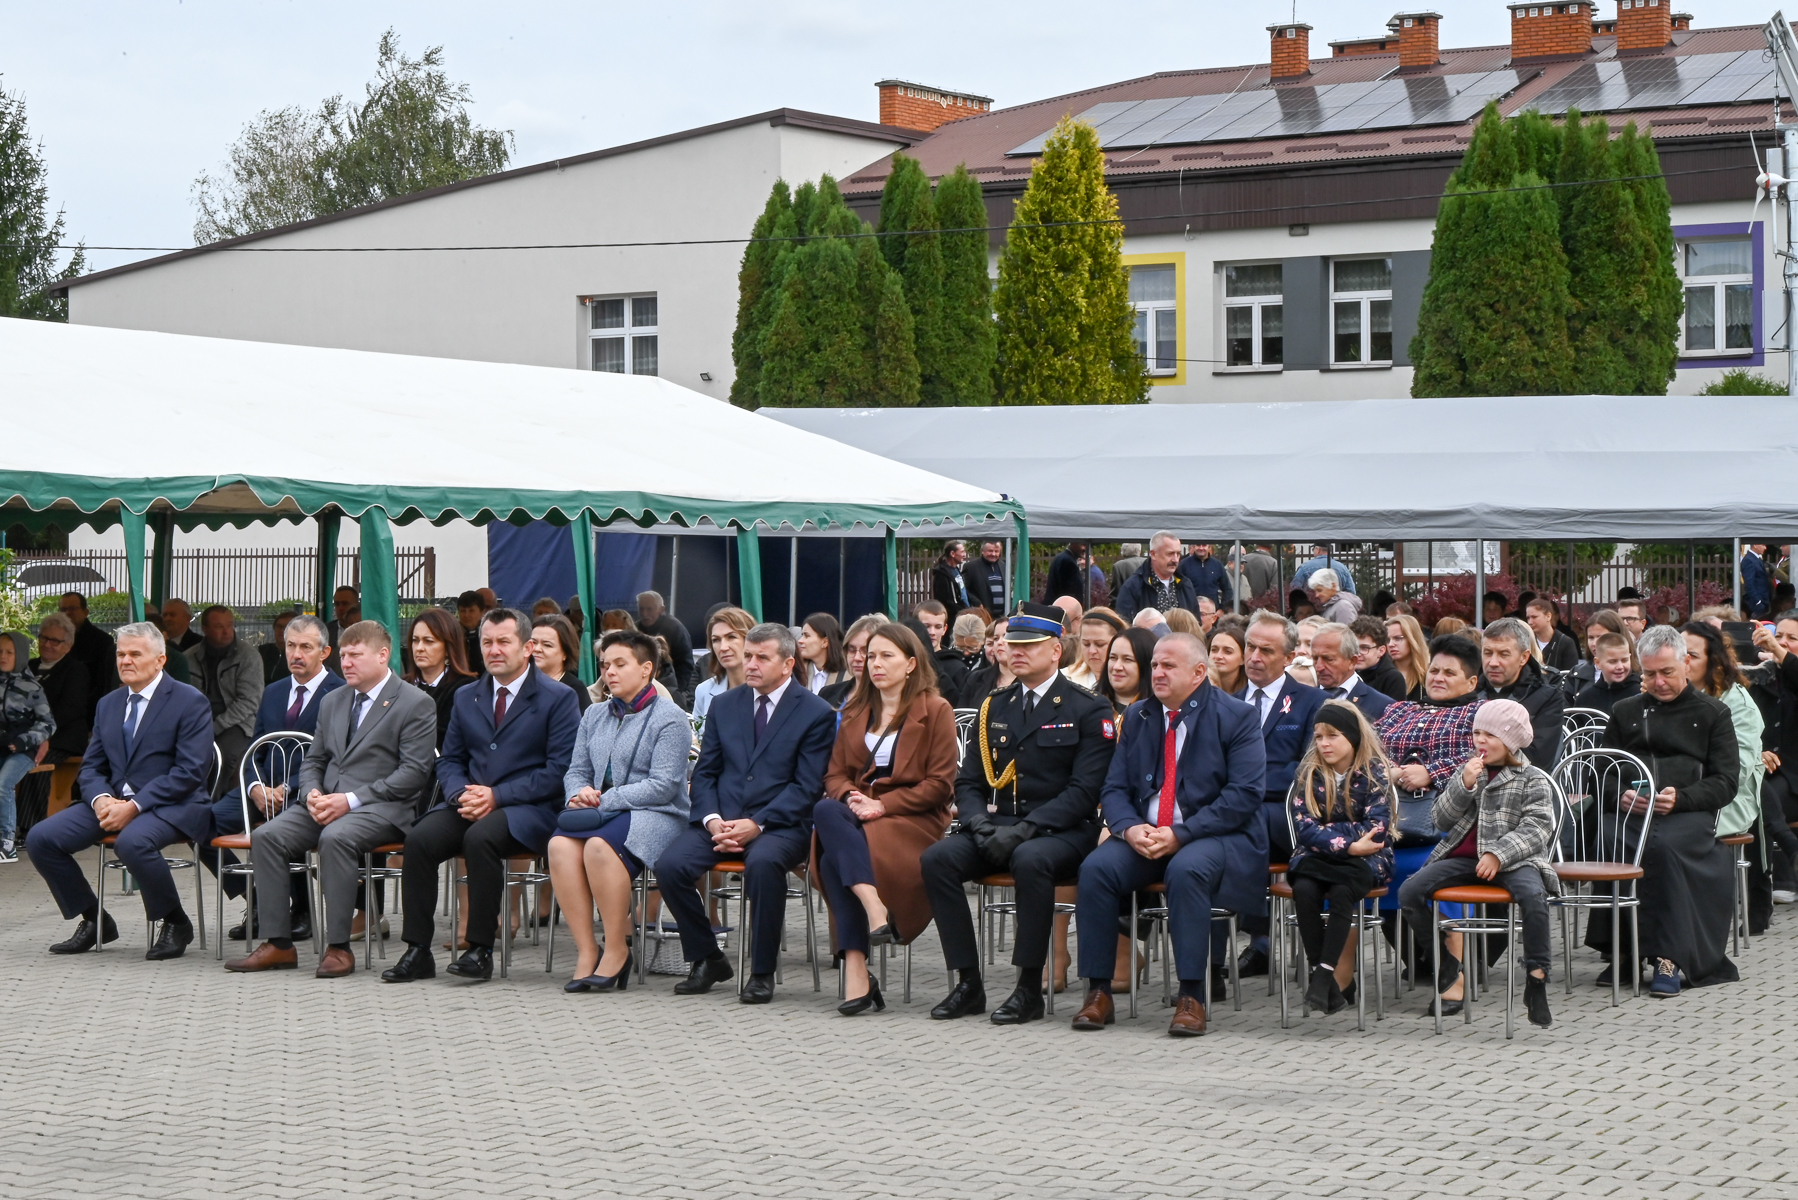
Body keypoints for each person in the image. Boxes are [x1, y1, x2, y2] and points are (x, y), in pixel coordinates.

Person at [922, 602, 1115, 1025]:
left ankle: (1028, 988)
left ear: (1056, 651)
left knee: (1030, 859)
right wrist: (977, 824)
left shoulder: (1087, 708)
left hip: (1061, 831)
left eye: (1029, 645)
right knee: (938, 859)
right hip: (998, 825)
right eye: (1012, 644)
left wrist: (1027, 828)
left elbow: (1084, 792)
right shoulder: (996, 705)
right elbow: (969, 781)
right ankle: (968, 983)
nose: (1017, 652)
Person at [1071, 632, 1265, 1037]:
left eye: (1168, 666)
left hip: (1212, 834)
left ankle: (1191, 995)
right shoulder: (1139, 716)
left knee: (1186, 871)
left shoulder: (1236, 716)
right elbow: (1114, 787)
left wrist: (1182, 833)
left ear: (1198, 672)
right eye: (1155, 665)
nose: (1157, 673)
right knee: (1096, 870)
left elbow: (1244, 795)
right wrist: (1128, 828)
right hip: (1146, 834)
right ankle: (1098, 991)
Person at [225, 620, 436, 977]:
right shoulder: (334, 700)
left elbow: (413, 774)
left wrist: (349, 800)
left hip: (380, 808)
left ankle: (338, 947)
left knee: (335, 838)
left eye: (355, 655)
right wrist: (311, 792)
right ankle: (278, 944)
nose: (346, 663)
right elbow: (315, 759)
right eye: (343, 655)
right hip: (325, 802)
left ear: (383, 655)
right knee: (268, 836)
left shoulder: (415, 702)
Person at [383, 608, 581, 984]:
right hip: (471, 801)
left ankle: (479, 949)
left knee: (480, 838)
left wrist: (497, 796)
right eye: (487, 642)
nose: (494, 650)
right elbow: (450, 760)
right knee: (420, 839)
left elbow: (559, 770)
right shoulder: (467, 696)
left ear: (527, 647)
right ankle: (417, 950)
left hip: (530, 808)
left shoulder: (558, 698)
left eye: (504, 642)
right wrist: (461, 794)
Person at [656, 623, 835, 1004]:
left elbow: (807, 786)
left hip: (781, 825)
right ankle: (708, 958)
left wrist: (757, 823)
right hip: (721, 820)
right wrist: (711, 820)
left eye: (761, 658)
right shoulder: (725, 705)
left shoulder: (815, 712)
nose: (750, 664)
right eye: (748, 655)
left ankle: (762, 972)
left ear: (788, 664)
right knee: (670, 866)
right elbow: (706, 772)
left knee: (764, 865)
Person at [26, 621, 214, 958]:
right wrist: (100, 799)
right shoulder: (109, 704)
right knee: (41, 838)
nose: (125, 661)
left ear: (160, 660)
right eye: (121, 654)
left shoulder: (190, 701)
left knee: (132, 842)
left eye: (135, 654)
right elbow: (92, 767)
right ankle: (94, 919)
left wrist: (135, 805)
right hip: (112, 801)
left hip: (172, 804)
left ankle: (175, 921)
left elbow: (190, 772)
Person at [1585, 624, 1741, 996]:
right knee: (1610, 837)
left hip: (1688, 813)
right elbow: (1601, 774)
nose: (1658, 682)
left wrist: (1681, 799)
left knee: (1665, 847)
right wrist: (1620, 796)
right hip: (1632, 812)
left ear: (1686, 664)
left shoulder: (1714, 713)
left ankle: (1668, 956)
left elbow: (1726, 781)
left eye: (1667, 672)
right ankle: (1624, 949)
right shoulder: (1625, 711)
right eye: (1650, 674)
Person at [814, 622, 957, 1014]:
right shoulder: (855, 709)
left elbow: (940, 785)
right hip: (859, 814)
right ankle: (872, 906)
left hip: (912, 820)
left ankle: (857, 971)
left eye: (886, 656)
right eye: (870, 656)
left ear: (910, 664)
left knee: (831, 859)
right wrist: (854, 798)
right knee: (826, 808)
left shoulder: (936, 710)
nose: (874, 664)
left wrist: (882, 805)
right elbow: (834, 775)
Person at [1397, 699, 1558, 1027]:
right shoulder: (1468, 770)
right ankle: (1446, 963)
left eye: (1490, 735)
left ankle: (1536, 978)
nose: (1480, 740)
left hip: (1515, 861)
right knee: (1410, 892)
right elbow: (1440, 819)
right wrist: (1464, 785)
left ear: (1510, 741)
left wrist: (1498, 854)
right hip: (1463, 858)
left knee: (1533, 897)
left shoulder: (1531, 778)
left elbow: (1538, 827)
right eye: (1477, 733)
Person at [548, 629, 692, 992]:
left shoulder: (670, 717)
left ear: (646, 669)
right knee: (559, 846)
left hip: (658, 813)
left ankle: (616, 948)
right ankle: (587, 951)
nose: (609, 672)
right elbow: (576, 770)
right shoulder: (595, 714)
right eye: (604, 665)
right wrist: (577, 793)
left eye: (619, 664)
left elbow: (664, 786)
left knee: (598, 847)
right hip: (602, 811)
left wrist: (603, 800)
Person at [202, 613, 344, 935]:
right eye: (291, 645)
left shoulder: (340, 694)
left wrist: (287, 789)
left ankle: (302, 910)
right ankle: (254, 897)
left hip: (309, 791)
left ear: (324, 652)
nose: (296, 654)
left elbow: (334, 758)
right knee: (199, 824)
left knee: (280, 828)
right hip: (261, 789)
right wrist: (254, 786)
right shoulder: (274, 691)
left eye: (306, 647)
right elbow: (255, 748)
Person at [1374, 634, 1485, 955]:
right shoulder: (1399, 710)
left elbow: (1486, 757)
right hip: (1391, 820)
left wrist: (1431, 773)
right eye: (1434, 671)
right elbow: (1366, 749)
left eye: (1449, 673)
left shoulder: (1480, 713)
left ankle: (1452, 967)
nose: (1438, 678)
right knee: (1347, 862)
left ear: (1471, 681)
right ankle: (1339, 971)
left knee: (1434, 864)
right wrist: (1391, 770)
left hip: (1452, 824)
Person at [1232, 611, 1324, 977]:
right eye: (1250, 647)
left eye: (1266, 651)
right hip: (1237, 812)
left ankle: (1259, 938)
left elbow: (1307, 769)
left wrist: (1245, 786)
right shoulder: (1227, 702)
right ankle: (1209, 950)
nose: (1254, 657)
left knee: (1246, 822)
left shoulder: (1311, 701)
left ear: (1288, 657)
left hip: (1288, 813)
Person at [1286, 701, 1393, 1014]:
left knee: (1342, 891)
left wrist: (1331, 834)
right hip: (1320, 857)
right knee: (1304, 889)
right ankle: (1324, 978)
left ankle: (1322, 977)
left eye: (1333, 736)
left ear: (1352, 737)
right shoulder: (1309, 773)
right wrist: (1348, 844)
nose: (1324, 743)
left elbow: (1376, 829)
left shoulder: (1375, 773)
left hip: (1365, 859)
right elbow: (1303, 827)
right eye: (1319, 736)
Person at [1686, 623, 1765, 928]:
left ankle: (1690, 928)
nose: (1682, 662)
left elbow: (1737, 772)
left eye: (1692, 655)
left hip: (1726, 799)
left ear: (1714, 662)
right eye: (1679, 654)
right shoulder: (1670, 695)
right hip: (1679, 793)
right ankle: (1621, 936)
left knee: (1674, 833)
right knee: (1619, 829)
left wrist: (1685, 787)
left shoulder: (1738, 703)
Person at [185, 605, 264, 799]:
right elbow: (187, 698)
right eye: (219, 626)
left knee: (223, 755)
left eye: (229, 625)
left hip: (238, 723)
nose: (227, 631)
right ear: (204, 629)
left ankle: (211, 801)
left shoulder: (248, 656)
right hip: (199, 722)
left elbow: (250, 701)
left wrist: (216, 726)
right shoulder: (190, 657)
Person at [1749, 615, 1798, 909]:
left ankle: (1782, 880)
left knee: (1767, 798)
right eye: (1778, 635)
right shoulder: (1762, 675)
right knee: (1755, 793)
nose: (1782, 642)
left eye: (1792, 638)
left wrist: (1779, 653)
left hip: (1794, 776)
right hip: (1765, 769)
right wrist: (1760, 752)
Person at [1477, 618, 1565, 770]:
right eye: (1488, 653)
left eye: (1503, 654)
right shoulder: (1468, 692)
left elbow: (1539, 759)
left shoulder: (1548, 697)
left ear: (1524, 657)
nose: (1493, 662)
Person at [0, 633, 54, 862]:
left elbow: (48, 724)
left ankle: (7, 843)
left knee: (3, 784)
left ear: (20, 655)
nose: (3, 656)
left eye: (9, 652)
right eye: (0, 651)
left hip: (23, 750)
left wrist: (24, 740)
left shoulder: (32, 687)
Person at [402, 607, 476, 748]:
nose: (419, 648)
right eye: (415, 640)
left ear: (448, 648)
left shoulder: (465, 689)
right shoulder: (402, 686)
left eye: (429, 641)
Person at [30, 611, 91, 763]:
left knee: (31, 765)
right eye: (44, 638)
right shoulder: (28, 667)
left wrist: (38, 732)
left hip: (61, 741)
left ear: (68, 646)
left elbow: (68, 711)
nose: (47, 644)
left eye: (54, 641)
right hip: (27, 736)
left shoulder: (76, 670)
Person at [1309, 622, 1392, 723]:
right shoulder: (1302, 701)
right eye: (1315, 659)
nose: (1319, 667)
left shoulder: (1383, 707)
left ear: (1352, 661)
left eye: (1328, 659)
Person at [1114, 531, 1201, 622]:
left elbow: (1196, 623)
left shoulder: (1185, 585)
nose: (1175, 559)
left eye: (1178, 554)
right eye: (1170, 554)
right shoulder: (1133, 587)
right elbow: (1124, 624)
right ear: (1153, 554)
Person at [60, 591, 119, 717]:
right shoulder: (55, 639)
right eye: (63, 609)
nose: (68, 613)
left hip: (89, 710)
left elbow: (104, 683)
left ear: (85, 612)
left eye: (73, 608)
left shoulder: (102, 641)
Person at [692, 607, 756, 722]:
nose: (723, 647)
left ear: (750, 640)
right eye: (716, 640)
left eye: (731, 637)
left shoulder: (769, 689)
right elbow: (698, 731)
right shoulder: (704, 690)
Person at [635, 591, 694, 700]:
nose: (644, 614)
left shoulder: (675, 629)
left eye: (649, 609)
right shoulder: (635, 629)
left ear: (661, 609)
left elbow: (685, 665)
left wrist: (676, 692)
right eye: (641, 609)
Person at [1566, 609, 1634, 700]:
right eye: (1591, 637)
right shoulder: (1576, 674)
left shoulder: (1639, 676)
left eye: (1601, 637)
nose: (1595, 643)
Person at [530, 613, 591, 713]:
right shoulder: (518, 682)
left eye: (547, 645)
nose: (537, 649)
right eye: (533, 642)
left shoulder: (575, 689)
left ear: (565, 653)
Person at [1100, 628, 1160, 722]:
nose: (1117, 667)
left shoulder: (1161, 716)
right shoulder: (1089, 706)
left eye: (1127, 659)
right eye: (1113, 658)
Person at [1573, 633, 1641, 716]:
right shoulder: (1585, 699)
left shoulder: (1640, 694)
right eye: (1613, 662)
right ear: (1598, 663)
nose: (1620, 667)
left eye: (1624, 660)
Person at [825, 614, 883, 710]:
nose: (857, 658)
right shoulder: (827, 693)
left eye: (865, 651)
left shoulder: (889, 701)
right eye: (851, 650)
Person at [957, 617, 1014, 709]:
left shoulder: (1030, 681)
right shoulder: (975, 678)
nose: (999, 642)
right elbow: (962, 714)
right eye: (996, 638)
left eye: (1006, 636)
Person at [1063, 609, 1125, 692]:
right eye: (1086, 644)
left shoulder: (1133, 681)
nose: (1092, 651)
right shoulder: (1064, 678)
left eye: (1100, 644)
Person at [1351, 616, 1409, 701]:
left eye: (1365, 648)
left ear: (1381, 651)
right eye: (1353, 647)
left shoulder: (1392, 678)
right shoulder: (1345, 672)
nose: (1357, 653)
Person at [797, 612, 850, 695]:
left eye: (807, 636)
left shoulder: (847, 676)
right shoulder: (797, 673)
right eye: (802, 635)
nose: (800, 641)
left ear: (825, 642)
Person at [1384, 613, 1431, 702]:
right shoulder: (1382, 675)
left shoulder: (1429, 675)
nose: (1391, 644)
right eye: (1387, 640)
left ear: (1412, 639)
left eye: (1398, 638)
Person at [1525, 598, 1580, 671]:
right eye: (1528, 618)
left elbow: (1570, 674)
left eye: (1534, 617)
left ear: (1548, 616)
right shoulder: (1526, 642)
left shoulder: (1566, 643)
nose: (1530, 622)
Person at [1177, 543, 1234, 610]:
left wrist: (1222, 609)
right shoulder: (1183, 565)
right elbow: (1177, 588)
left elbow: (1228, 590)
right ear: (1194, 547)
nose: (1201, 548)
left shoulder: (1217, 565)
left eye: (1204, 545)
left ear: (1209, 547)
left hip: (1212, 613)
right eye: (1198, 545)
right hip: (1190, 611)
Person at [962, 540, 1008, 618]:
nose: (993, 554)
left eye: (996, 551)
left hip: (1002, 615)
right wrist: (977, 603)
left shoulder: (1003, 565)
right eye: (990, 551)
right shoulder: (971, 567)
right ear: (982, 551)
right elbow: (964, 589)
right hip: (982, 615)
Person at [1291, 545, 1357, 595]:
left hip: (1312, 606)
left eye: (1313, 549)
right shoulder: (1342, 568)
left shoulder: (1304, 567)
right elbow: (1351, 592)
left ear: (1318, 550)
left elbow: (1295, 589)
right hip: (1335, 605)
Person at [932, 540, 973, 614]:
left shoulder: (956, 570)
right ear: (952, 554)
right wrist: (961, 611)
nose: (964, 555)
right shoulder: (941, 574)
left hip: (964, 612)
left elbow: (962, 592)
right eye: (962, 552)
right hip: (954, 615)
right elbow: (945, 600)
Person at [1043, 542, 1089, 606]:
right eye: (1082, 545)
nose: (1085, 548)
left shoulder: (1061, 557)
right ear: (1073, 543)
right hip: (1063, 608)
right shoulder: (1068, 562)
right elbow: (1070, 592)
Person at [1207, 623, 1247, 697]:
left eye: (1228, 651)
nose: (1218, 656)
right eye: (1214, 650)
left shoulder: (1249, 694)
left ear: (1243, 659)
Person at [259, 611, 296, 685]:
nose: (282, 630)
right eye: (279, 626)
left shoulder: (301, 655)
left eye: (287, 627)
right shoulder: (262, 652)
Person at [456, 590, 487, 676]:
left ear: (482, 612)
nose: (467, 615)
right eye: (463, 611)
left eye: (471, 611)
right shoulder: (453, 634)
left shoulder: (489, 634)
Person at [1742, 544, 1773, 619]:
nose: (1765, 548)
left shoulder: (1756, 559)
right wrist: (1757, 602)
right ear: (1755, 545)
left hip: (1763, 601)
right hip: (1756, 603)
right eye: (1763, 545)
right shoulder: (1749, 560)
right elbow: (1749, 584)